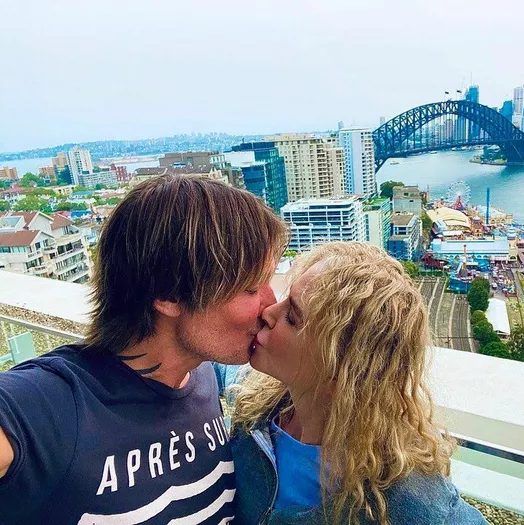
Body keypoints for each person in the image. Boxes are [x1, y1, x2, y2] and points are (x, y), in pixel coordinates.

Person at [0, 175, 288, 524]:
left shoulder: (201, 375)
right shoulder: (56, 404)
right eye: (251, 288)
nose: (271, 305)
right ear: (169, 294)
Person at [230, 242, 487, 525]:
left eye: (292, 318)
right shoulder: (254, 407)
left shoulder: (406, 500)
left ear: (340, 370)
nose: (268, 312)